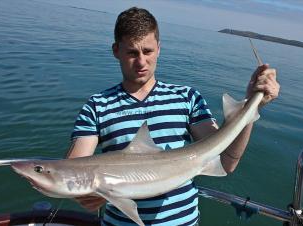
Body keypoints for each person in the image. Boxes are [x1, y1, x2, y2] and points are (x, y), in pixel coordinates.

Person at [66, 7, 280, 226]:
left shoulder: (187, 98)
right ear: (116, 50)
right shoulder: (97, 105)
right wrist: (81, 194)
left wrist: (251, 107)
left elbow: (226, 162)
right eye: (132, 52)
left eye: (147, 51)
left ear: (159, 49)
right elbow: (72, 169)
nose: (141, 62)